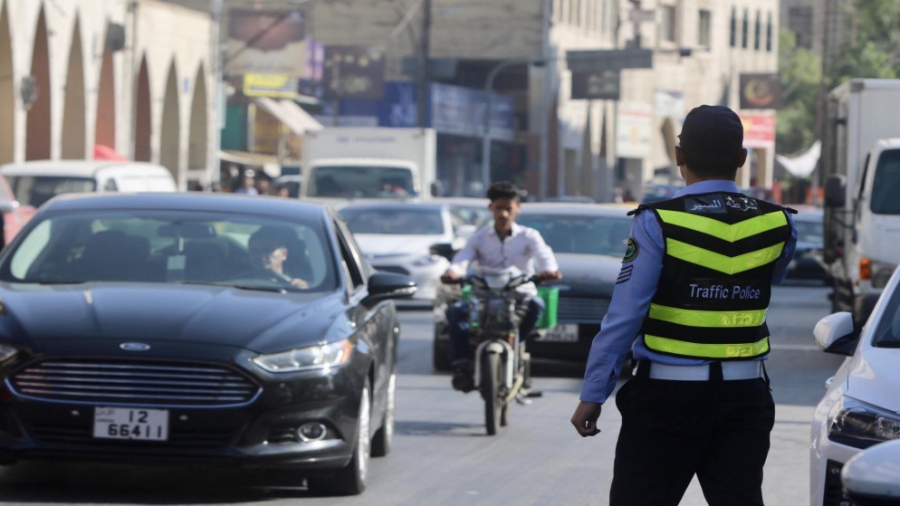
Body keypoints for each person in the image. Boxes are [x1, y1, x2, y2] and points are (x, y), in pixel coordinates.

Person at [570, 105, 798, 506]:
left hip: (666, 401)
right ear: (742, 159)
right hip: (745, 398)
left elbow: (625, 315)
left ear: (679, 157)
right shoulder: (779, 222)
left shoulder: (658, 220)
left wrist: (594, 392)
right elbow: (767, 278)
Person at [441, 181, 562, 392]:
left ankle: (518, 343)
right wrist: (453, 272)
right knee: (456, 312)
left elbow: (545, 255)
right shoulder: (479, 238)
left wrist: (549, 270)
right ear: (491, 208)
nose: (504, 214)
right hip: (485, 295)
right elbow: (463, 259)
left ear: (518, 208)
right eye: (499, 208)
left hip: (519, 295)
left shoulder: (529, 236)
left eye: (509, 208)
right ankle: (461, 366)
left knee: (537, 305)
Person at [245, 226, 309, 289]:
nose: (261, 256)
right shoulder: (240, 286)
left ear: (284, 254)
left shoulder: (294, 286)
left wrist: (303, 290)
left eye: (268, 250)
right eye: (254, 251)